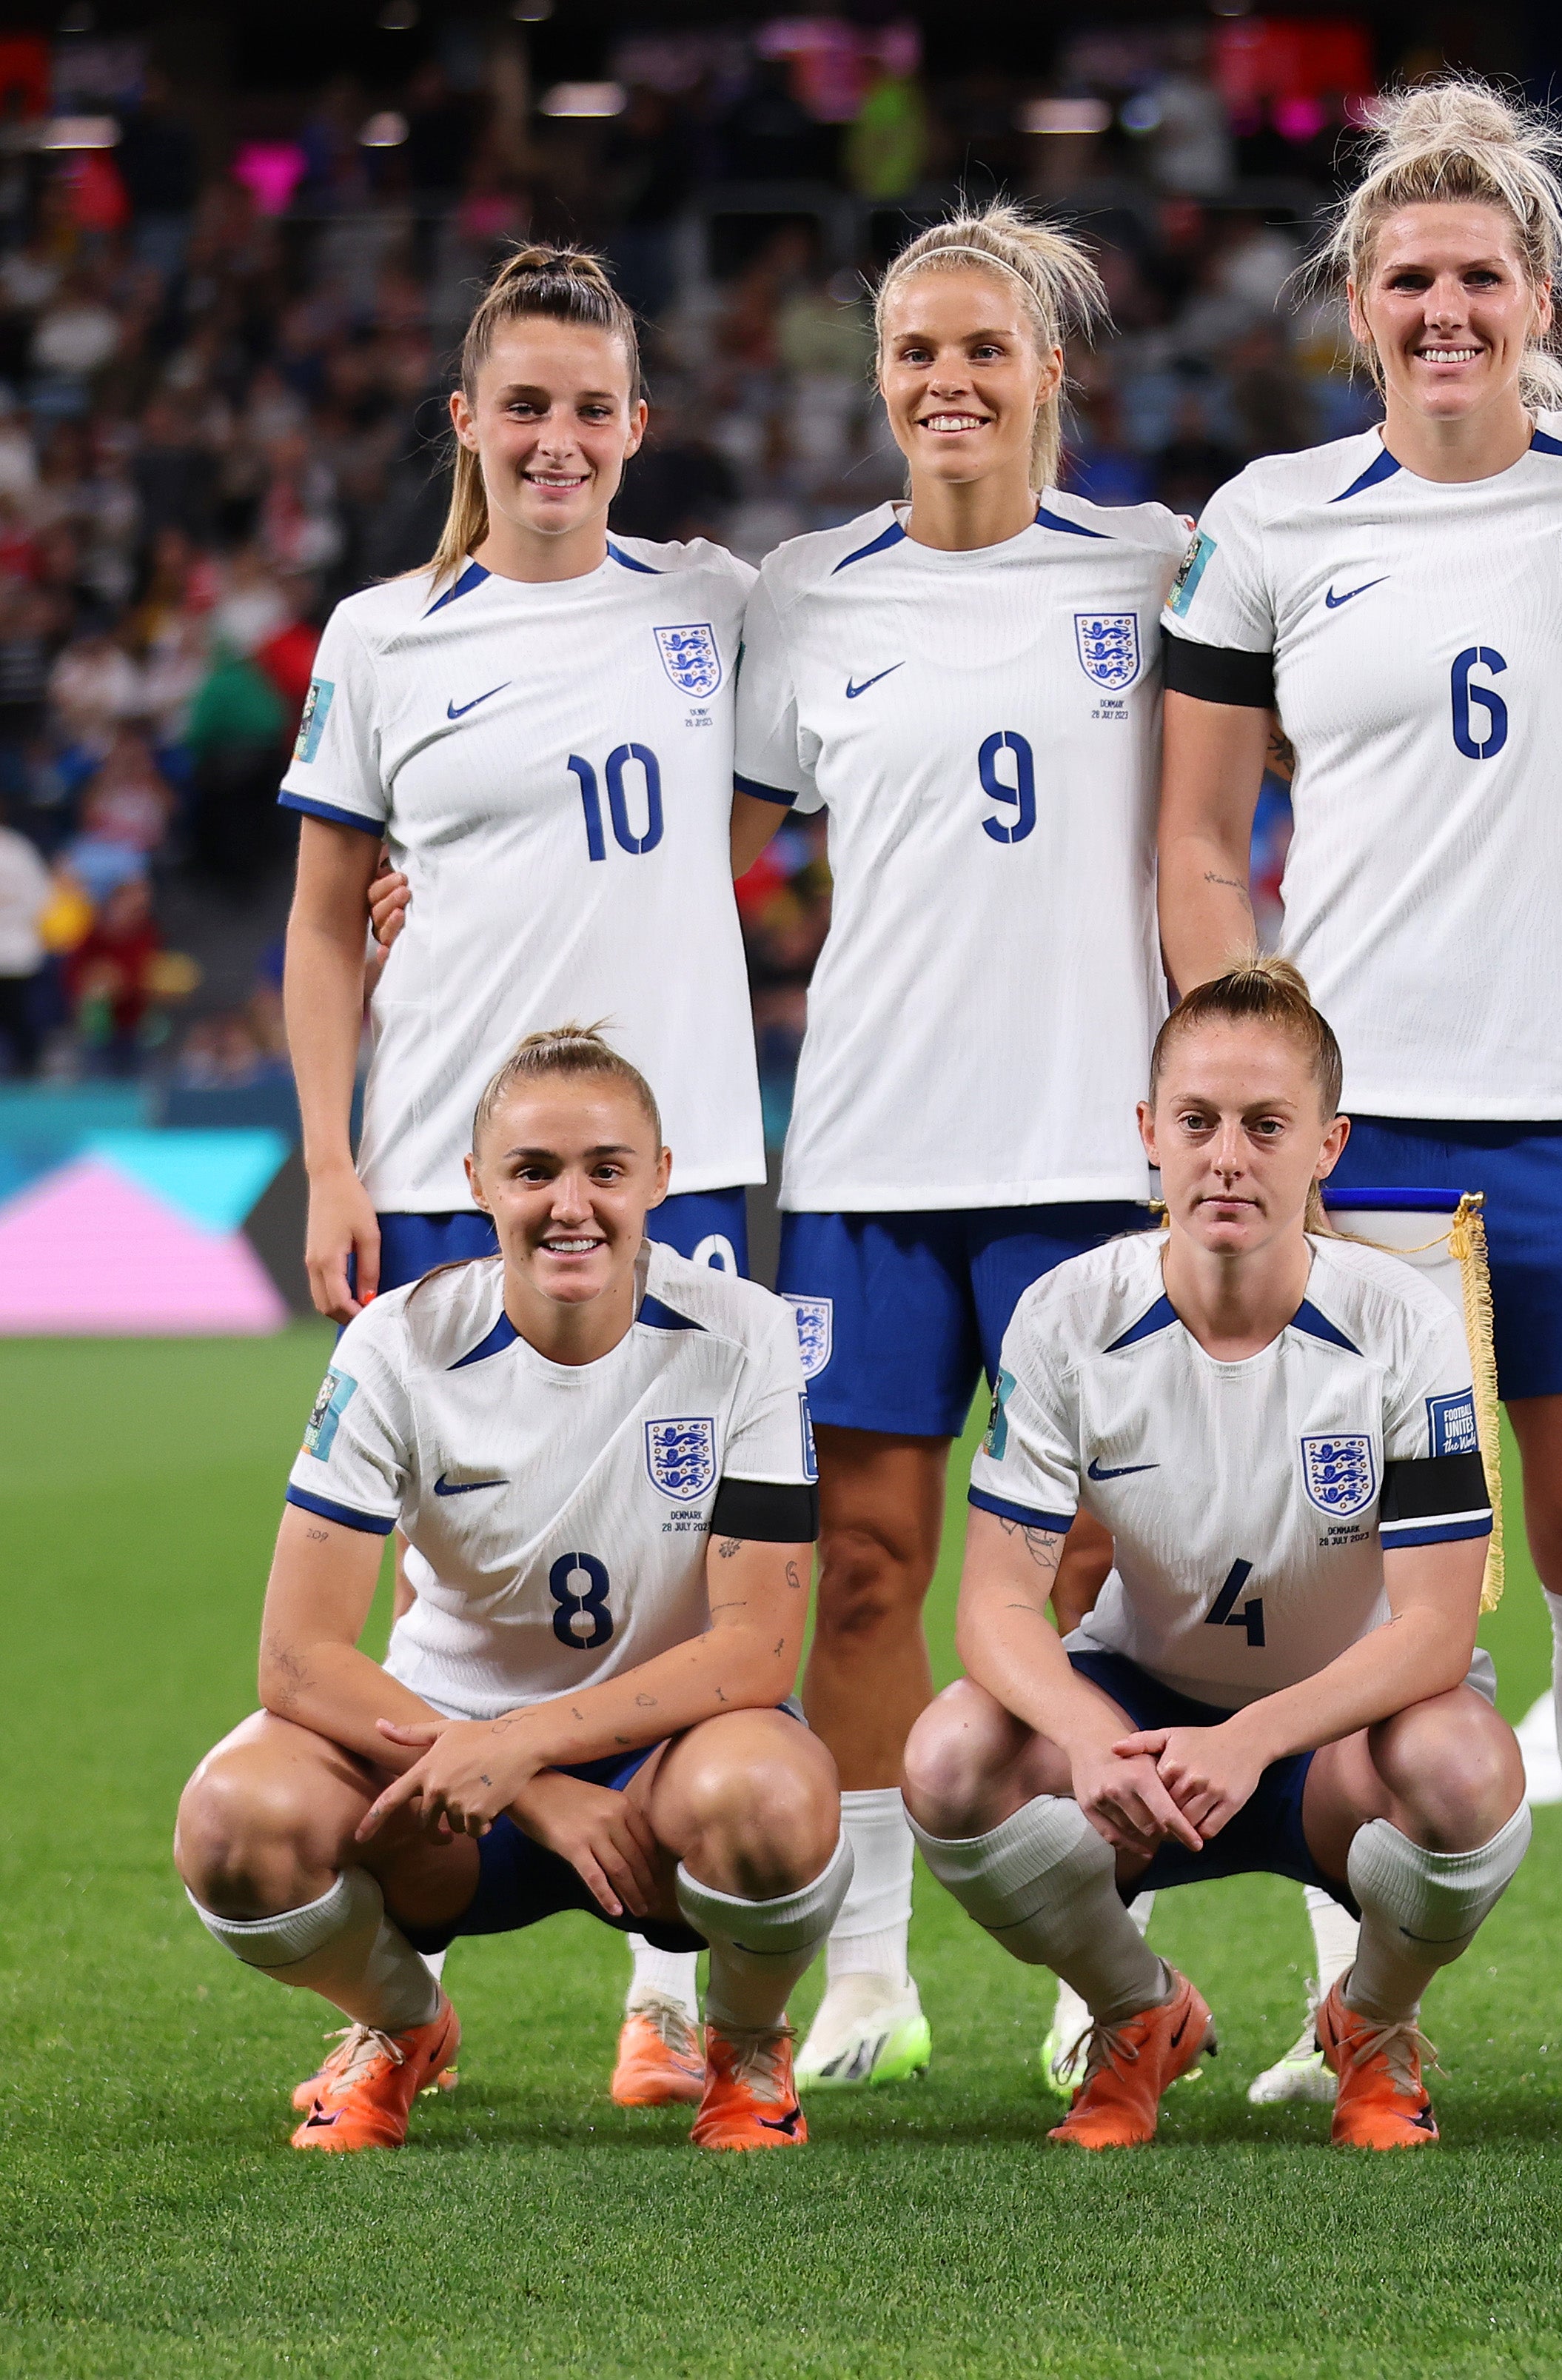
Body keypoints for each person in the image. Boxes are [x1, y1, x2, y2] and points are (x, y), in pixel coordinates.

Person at [1155, 79, 1562, 2107]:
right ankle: (1360, 2004)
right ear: (1357, 304)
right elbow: (1203, 836)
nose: (1444, 307)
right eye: (1407, 278)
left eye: (1479, 273)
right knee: (1360, 1567)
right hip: (1366, 1125)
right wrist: (1259, 1083)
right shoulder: (1269, 520)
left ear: (1541, 288)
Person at [274, 242, 773, 2104]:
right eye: (524, 405)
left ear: (636, 429)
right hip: (434, 1162)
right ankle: (402, 1994)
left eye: (590, 408)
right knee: (449, 1561)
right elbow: (329, 923)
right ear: (466, 422)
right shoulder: (380, 636)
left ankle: (672, 1984)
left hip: (690, 1163)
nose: (557, 437)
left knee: (684, 1570)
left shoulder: (723, 607)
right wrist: (329, 1158)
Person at [737, 204, 1196, 2089]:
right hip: (867, 1149)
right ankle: (866, 1966)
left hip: (1093, 1144)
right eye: (917, 352)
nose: (949, 380)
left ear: (1049, 373)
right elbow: (700, 841)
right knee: (866, 1564)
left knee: (1095, 1560)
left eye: (983, 349)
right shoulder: (803, 596)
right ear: (880, 381)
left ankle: (1106, 1955)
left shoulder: (1158, 570)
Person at [171, 1029, 842, 2153]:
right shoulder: (395, 1345)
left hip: (665, 1764)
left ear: (662, 1177)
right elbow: (295, 1655)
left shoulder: (747, 1333)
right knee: (234, 1823)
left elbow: (757, 1652)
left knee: (776, 1800)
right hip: (441, 1770)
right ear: (478, 1185)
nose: (570, 1204)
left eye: (605, 1169)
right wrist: (516, 1773)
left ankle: (747, 2043)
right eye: (533, 1171)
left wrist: (528, 1743)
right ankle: (399, 2025)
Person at [902, 960, 1526, 2150]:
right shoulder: (1066, 1312)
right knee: (947, 1760)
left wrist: (1252, 1739)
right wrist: (1090, 1732)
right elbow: (992, 1606)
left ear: (1326, 1145)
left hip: (1333, 1736)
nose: (1227, 1156)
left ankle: (1373, 2023)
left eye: (1265, 1125)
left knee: (1469, 1775)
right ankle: (1136, 2013)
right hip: (1137, 1714)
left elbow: (1440, 1629)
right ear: (1148, 1133)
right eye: (1196, 1122)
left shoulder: (1406, 1318)